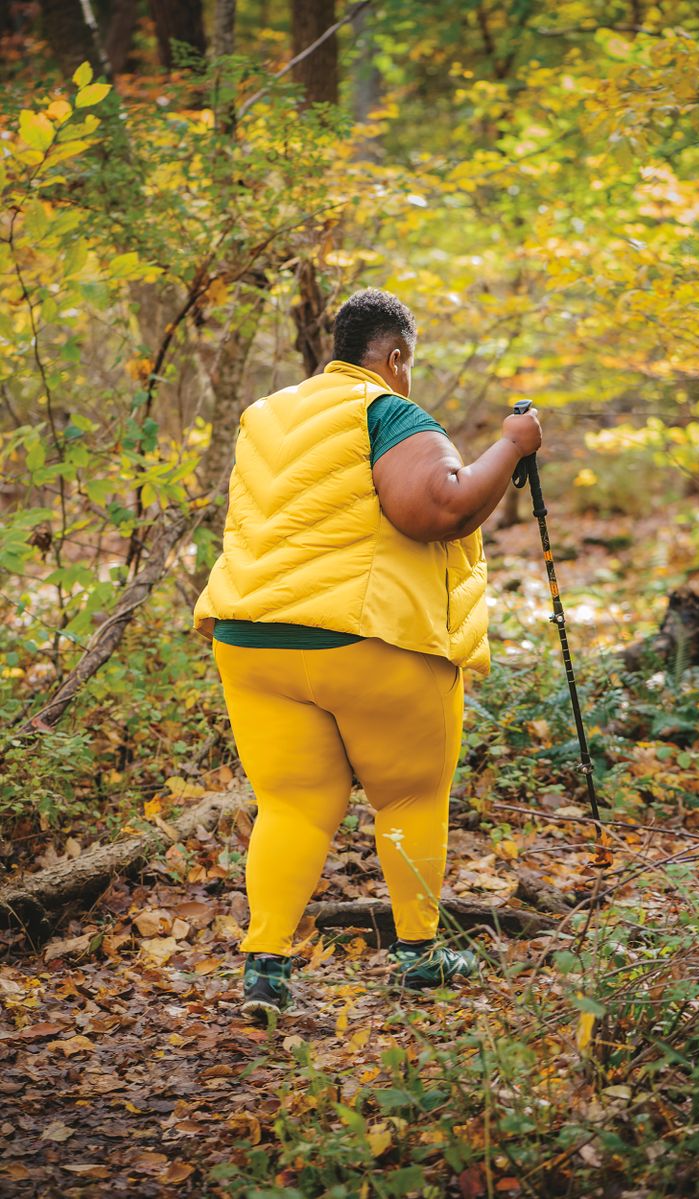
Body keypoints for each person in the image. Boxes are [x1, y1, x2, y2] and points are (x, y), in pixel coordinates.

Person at [192, 288, 542, 1018]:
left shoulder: (267, 415)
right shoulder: (385, 409)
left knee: (291, 803)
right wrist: (512, 446)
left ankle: (266, 968)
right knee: (410, 796)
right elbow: (437, 507)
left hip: (251, 641)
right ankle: (418, 955)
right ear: (395, 356)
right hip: (368, 641)